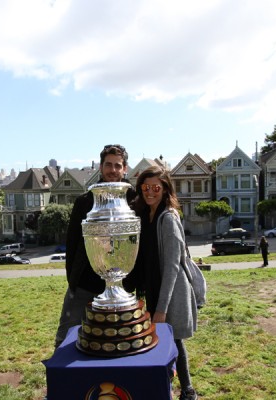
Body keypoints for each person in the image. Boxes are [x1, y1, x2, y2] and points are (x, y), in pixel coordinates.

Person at [53, 144, 135, 349]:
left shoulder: (134, 201)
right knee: (66, 337)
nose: (113, 170)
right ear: (101, 167)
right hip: (85, 284)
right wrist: (73, 280)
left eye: (118, 165)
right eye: (109, 165)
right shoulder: (84, 202)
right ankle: (63, 378)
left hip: (122, 286)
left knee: (117, 340)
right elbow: (72, 244)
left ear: (125, 168)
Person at [130, 165, 198, 400]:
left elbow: (171, 267)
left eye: (156, 188)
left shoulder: (167, 218)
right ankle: (166, 385)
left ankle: (187, 390)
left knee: (174, 340)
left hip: (169, 292)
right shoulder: (145, 214)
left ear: (165, 188)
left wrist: (161, 309)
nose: (150, 192)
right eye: (145, 187)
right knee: (162, 341)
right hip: (153, 288)